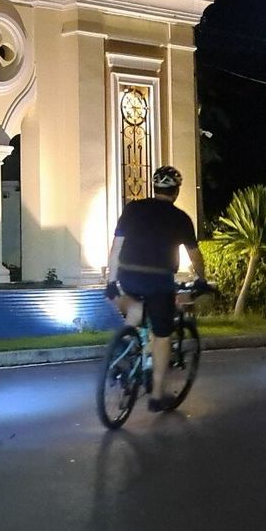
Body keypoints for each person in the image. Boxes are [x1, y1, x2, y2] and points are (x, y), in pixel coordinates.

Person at [105, 166, 206, 413]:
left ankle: (124, 350)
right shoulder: (181, 218)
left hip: (128, 275)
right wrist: (202, 279)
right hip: (159, 279)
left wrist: (111, 281)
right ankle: (157, 396)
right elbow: (195, 255)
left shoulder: (133, 209)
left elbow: (116, 247)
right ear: (176, 191)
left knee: (135, 308)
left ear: (154, 187)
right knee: (162, 335)